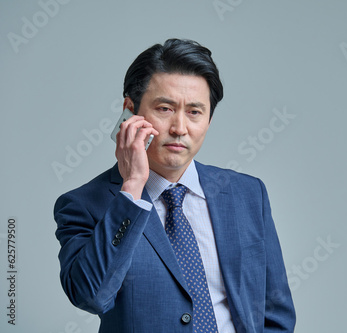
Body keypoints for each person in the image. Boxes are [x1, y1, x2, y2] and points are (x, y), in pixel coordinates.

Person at [54, 38, 296, 333]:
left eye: (195, 112)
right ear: (130, 111)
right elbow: (90, 295)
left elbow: (276, 313)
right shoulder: (84, 204)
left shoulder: (248, 194)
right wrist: (131, 187)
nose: (180, 128)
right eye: (165, 108)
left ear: (208, 120)